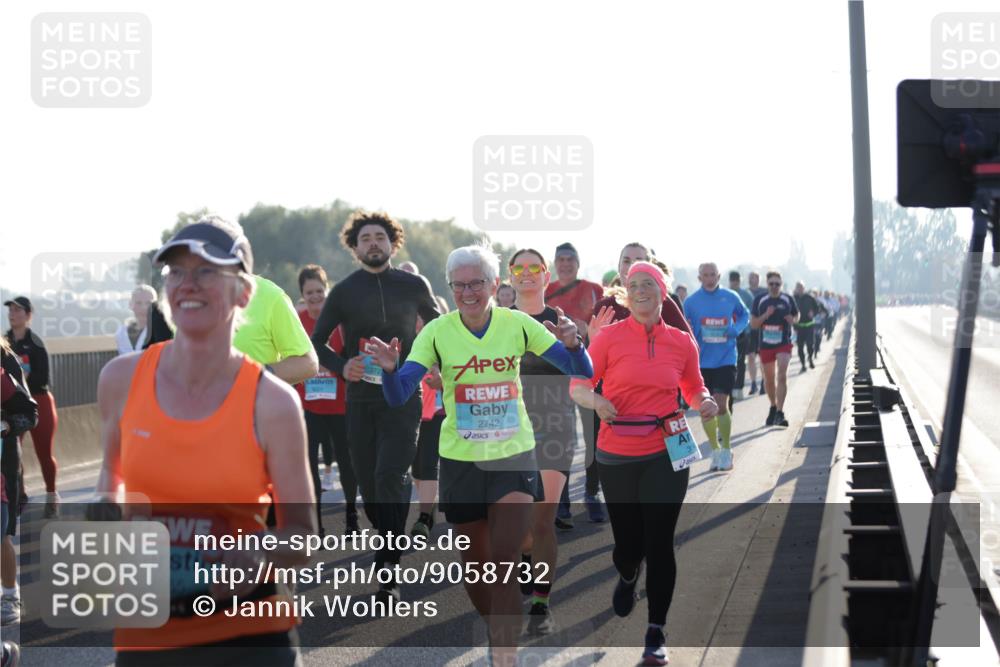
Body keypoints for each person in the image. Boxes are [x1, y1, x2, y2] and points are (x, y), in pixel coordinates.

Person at [94, 217, 315, 665]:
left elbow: (302, 537)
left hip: (248, 636)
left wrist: (256, 550)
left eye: (207, 271)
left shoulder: (273, 403)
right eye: (176, 272)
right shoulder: (120, 379)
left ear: (244, 292)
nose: (187, 284)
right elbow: (111, 482)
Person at [366, 243, 591, 667]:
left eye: (476, 283)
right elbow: (399, 396)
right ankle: (500, 629)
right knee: (477, 571)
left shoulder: (519, 324)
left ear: (494, 285)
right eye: (459, 285)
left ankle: (503, 654)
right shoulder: (436, 332)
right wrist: (392, 370)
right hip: (460, 460)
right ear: (450, 288)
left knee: (504, 562)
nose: (468, 292)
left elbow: (581, 370)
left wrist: (575, 344)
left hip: (514, 455)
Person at [571, 261, 717, 666]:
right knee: (630, 543)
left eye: (648, 284)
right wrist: (598, 401)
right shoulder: (607, 339)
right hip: (617, 454)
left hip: (667, 451)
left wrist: (702, 402)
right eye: (632, 285)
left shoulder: (681, 342)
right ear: (625, 293)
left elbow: (692, 385)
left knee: (660, 542)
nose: (639, 291)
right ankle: (628, 570)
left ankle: (655, 632)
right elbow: (578, 385)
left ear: (662, 291)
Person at [310, 211, 440, 604]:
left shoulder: (413, 284)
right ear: (354, 247)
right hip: (361, 400)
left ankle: (388, 568)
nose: (372, 243)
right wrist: (340, 365)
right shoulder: (345, 291)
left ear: (392, 243)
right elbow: (316, 343)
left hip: (401, 395)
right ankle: (389, 541)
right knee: (370, 487)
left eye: (379, 237)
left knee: (391, 475)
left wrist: (434, 364)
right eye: (364, 238)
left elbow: (439, 328)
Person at [506, 248, 578, 635]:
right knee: (520, 526)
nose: (528, 273)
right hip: (508, 431)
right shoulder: (497, 323)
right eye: (520, 267)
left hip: (554, 427)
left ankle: (540, 602)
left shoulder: (562, 323)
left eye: (535, 267)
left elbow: (584, 370)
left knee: (544, 521)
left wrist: (572, 345)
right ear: (511, 276)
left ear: (546, 275)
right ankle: (524, 559)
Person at [544, 243, 605, 527]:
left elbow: (608, 328)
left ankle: (592, 493)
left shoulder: (594, 289)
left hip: (589, 373)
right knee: (562, 441)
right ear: (555, 263)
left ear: (578, 264)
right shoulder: (546, 290)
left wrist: (586, 330)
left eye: (570, 259)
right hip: (556, 377)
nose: (566, 264)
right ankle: (561, 501)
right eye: (561, 259)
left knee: (593, 437)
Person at [296, 264, 359, 536]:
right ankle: (316, 524)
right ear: (302, 294)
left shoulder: (339, 321)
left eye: (319, 291)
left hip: (339, 405)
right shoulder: (296, 321)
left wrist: (333, 365)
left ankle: (351, 516)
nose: (314, 296)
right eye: (309, 292)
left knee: (346, 464)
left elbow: (350, 355)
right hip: (308, 406)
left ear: (327, 290)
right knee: (309, 465)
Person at [683, 263, 749, 471]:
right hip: (702, 362)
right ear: (699, 277)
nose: (710, 278)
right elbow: (685, 327)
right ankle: (715, 450)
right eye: (705, 275)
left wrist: (735, 329)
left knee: (721, 403)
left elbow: (744, 315)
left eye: (713, 275)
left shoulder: (730, 297)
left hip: (726, 358)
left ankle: (726, 450)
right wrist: (692, 334)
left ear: (719, 276)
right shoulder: (691, 302)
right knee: (706, 408)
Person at [4, 296, 59, 518]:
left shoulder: (35, 342)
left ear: (28, 315)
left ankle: (51, 495)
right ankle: (19, 497)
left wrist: (21, 379)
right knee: (12, 452)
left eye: (18, 310)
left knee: (44, 453)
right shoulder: (5, 341)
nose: (12, 314)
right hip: (13, 403)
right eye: (10, 310)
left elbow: (42, 376)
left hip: (40, 400)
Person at [2, 335, 37, 636]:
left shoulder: (5, 361)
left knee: (1, 533)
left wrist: (6, 426)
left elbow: (29, 414)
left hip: (1, 463)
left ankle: (10, 595)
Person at [409, 298, 449, 540]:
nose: (416, 323)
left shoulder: (442, 341)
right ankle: (428, 505)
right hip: (413, 413)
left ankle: (423, 516)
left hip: (437, 411)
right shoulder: (406, 343)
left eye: (420, 318)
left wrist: (441, 376)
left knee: (429, 464)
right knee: (416, 469)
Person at [750, 271, 798, 428]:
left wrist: (794, 320)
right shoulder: (760, 300)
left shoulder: (788, 299)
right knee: (769, 380)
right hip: (765, 345)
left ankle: (780, 411)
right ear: (767, 284)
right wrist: (766, 315)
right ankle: (772, 406)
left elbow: (797, 316)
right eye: (771, 284)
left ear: (781, 284)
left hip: (783, 343)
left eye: (777, 284)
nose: (774, 287)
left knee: (782, 375)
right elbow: (754, 324)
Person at [728, 271, 755, 401]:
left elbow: (750, 313)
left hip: (744, 333)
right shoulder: (725, 295)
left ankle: (739, 388)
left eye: (736, 280)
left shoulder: (746, 295)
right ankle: (730, 387)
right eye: (732, 280)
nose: (734, 282)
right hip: (728, 334)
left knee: (741, 361)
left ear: (739, 280)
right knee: (730, 361)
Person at [115, 285, 156, 355]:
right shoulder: (122, 333)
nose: (144, 307)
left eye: (149, 303)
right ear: (131, 305)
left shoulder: (162, 332)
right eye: (138, 303)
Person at [745, 272, 768, 395]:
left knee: (763, 358)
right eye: (750, 278)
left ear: (759, 279)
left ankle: (764, 382)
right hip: (750, 330)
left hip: (763, 329)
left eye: (754, 278)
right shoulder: (745, 293)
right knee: (751, 357)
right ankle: (753, 383)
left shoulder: (765, 292)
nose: (752, 280)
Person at [792, 281, 820, 373]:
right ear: (796, 288)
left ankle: (810, 358)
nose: (799, 289)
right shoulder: (793, 299)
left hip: (809, 326)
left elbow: (817, 308)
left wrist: (813, 313)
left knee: (810, 344)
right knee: (800, 347)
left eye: (801, 287)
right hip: (799, 327)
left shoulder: (810, 297)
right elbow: (791, 312)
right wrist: (794, 326)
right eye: (798, 287)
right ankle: (803, 364)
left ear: (804, 288)